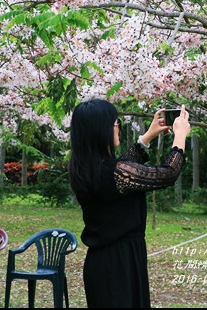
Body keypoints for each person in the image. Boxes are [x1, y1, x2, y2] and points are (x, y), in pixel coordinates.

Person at [68, 98, 189, 308]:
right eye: (116, 123)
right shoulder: (115, 173)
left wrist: (147, 137)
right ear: (102, 129)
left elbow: (122, 171)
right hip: (120, 263)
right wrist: (180, 136)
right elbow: (168, 173)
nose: (119, 129)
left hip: (101, 262)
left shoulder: (86, 168)